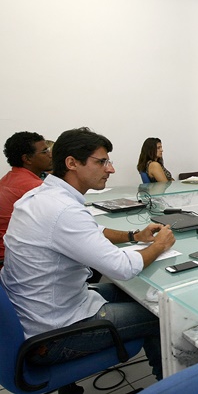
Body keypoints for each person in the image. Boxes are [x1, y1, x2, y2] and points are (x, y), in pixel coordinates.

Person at [0, 127, 176, 393]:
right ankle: (170, 388)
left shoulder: (42, 197)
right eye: (102, 162)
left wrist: (134, 236)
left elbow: (92, 231)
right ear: (72, 163)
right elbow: (122, 267)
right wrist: (160, 245)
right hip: (53, 334)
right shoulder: (63, 209)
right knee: (161, 315)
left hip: (37, 312)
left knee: (133, 293)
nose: (111, 169)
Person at [0, 132, 53, 269]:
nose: (50, 155)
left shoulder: (10, 177)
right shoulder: (34, 187)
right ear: (27, 159)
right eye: (45, 151)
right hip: (12, 258)